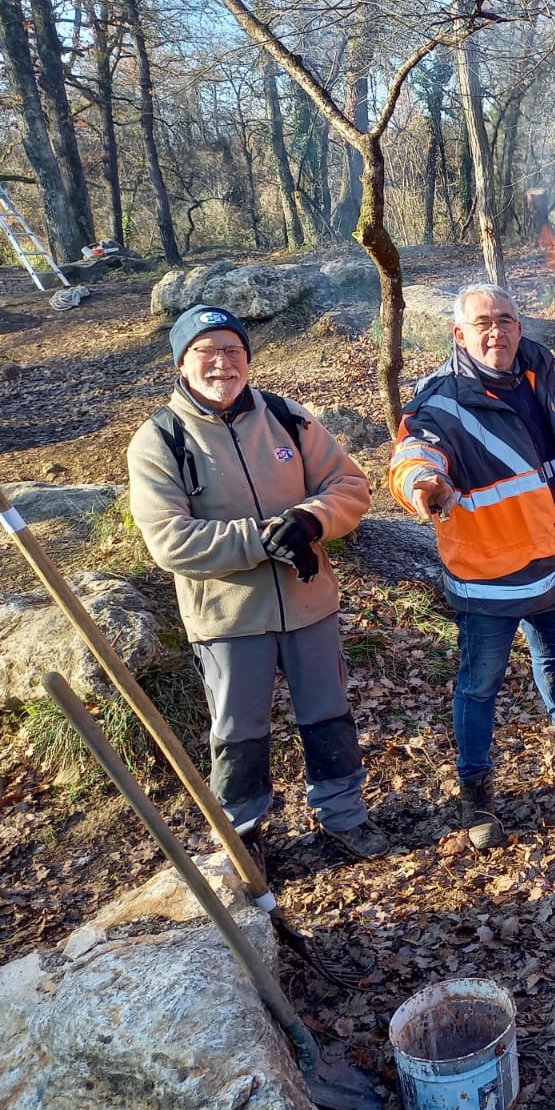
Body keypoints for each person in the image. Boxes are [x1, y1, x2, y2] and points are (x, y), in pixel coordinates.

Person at [127, 305, 384, 862]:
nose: (222, 364)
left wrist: (313, 518)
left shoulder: (287, 417)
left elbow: (350, 485)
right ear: (181, 363)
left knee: (329, 715)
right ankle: (242, 842)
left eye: (233, 352)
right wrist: (261, 538)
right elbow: (169, 540)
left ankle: (345, 817)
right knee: (239, 733)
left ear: (247, 359)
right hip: (227, 617)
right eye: (206, 352)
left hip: (309, 603)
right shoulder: (160, 440)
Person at [388, 283, 555, 849]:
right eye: (483, 323)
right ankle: (474, 791)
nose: (496, 332)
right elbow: (414, 454)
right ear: (459, 334)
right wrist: (423, 486)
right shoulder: (442, 401)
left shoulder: (541, 378)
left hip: (551, 556)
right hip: (488, 577)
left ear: (519, 327)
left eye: (505, 320)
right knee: (480, 686)